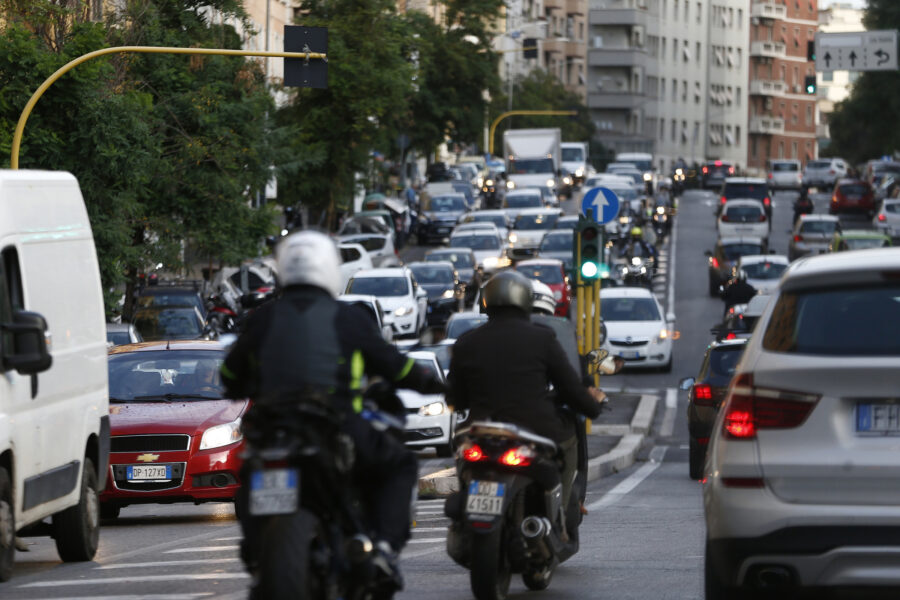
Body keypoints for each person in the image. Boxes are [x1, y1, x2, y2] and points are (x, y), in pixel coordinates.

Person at [221, 230, 445, 590]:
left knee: (250, 470)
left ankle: (254, 544)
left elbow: (229, 373)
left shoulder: (263, 319)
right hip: (335, 426)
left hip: (272, 429)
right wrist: (431, 382)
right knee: (400, 463)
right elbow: (396, 366)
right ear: (329, 269)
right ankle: (384, 549)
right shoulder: (347, 318)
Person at [447, 270, 607, 513]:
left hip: (481, 429)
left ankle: (466, 500)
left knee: (462, 457)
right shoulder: (542, 338)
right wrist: (592, 406)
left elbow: (454, 399)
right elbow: (570, 386)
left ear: (486, 303)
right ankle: (560, 513)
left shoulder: (466, 342)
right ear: (524, 301)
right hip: (534, 428)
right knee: (569, 441)